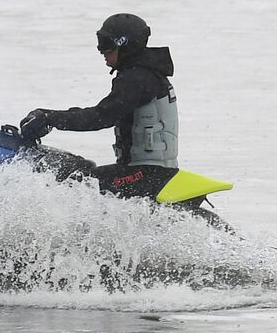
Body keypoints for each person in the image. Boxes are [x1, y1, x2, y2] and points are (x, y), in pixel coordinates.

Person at [20, 13, 178, 198]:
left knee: (79, 183)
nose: (101, 51)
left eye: (106, 44)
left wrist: (50, 118)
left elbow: (100, 117)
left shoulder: (138, 79)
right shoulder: (145, 74)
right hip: (146, 171)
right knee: (75, 169)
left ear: (124, 45)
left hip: (147, 175)